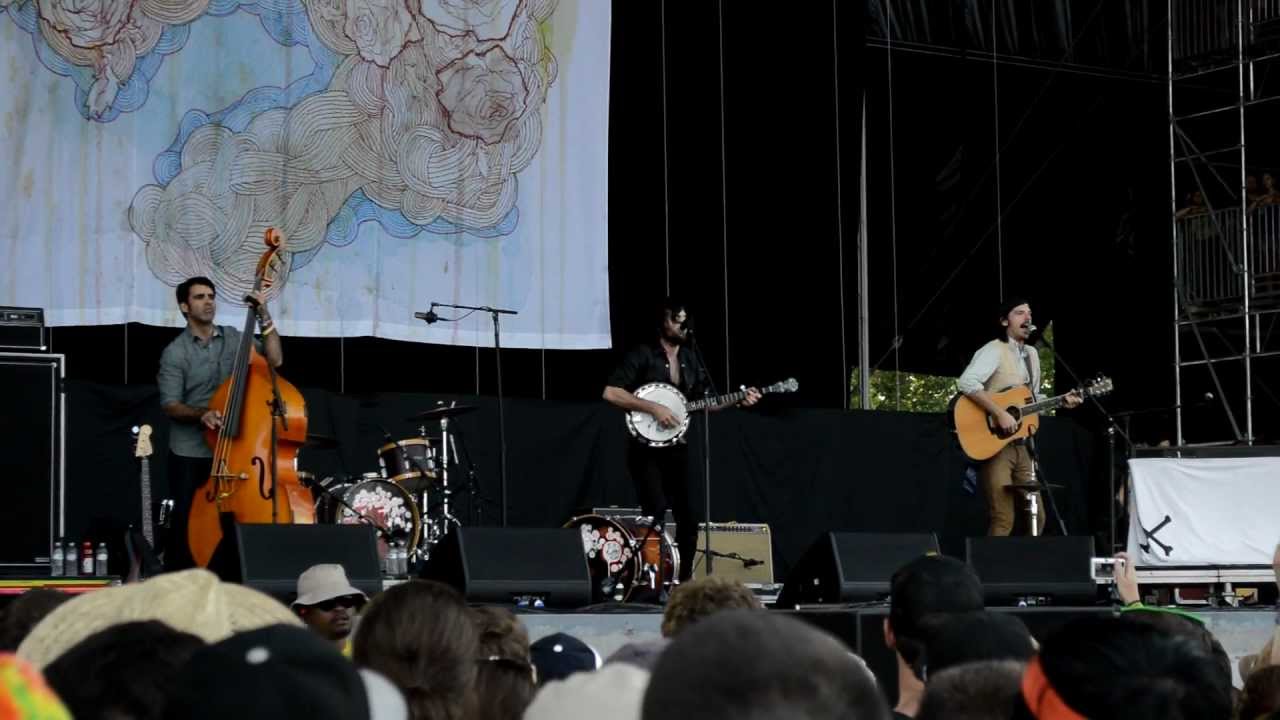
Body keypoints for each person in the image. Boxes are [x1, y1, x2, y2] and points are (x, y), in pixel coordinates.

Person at [603, 298, 760, 583]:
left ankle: (684, 583)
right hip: (644, 449)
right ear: (662, 322)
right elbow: (611, 393)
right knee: (656, 510)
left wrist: (739, 399)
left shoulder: (690, 359)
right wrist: (654, 408)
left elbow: (708, 402)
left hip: (678, 447)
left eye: (685, 320)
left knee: (689, 517)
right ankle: (649, 579)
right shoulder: (642, 354)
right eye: (676, 319)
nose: (682, 325)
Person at [157, 276, 282, 570]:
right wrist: (202, 414)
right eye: (200, 297)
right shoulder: (175, 352)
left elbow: (275, 360)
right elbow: (170, 404)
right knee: (191, 528)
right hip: (192, 452)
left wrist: (263, 312)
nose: (208, 301)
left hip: (235, 448)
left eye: (211, 295)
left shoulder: (236, 338)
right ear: (185, 306)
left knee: (234, 524)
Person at [956, 298, 1080, 536]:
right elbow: (967, 382)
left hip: (1024, 445)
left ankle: (1025, 568)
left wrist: (1061, 401)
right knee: (1003, 518)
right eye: (1019, 313)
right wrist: (999, 413)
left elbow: (1028, 401)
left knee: (1036, 516)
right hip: (995, 445)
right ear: (1004, 321)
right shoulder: (994, 349)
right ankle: (990, 570)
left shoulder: (1032, 354)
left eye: (1029, 313)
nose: (1027, 317)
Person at [291, 564, 367, 655]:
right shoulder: (292, 664)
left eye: (346, 601)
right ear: (304, 613)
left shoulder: (369, 659)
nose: (340, 608)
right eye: (327, 603)